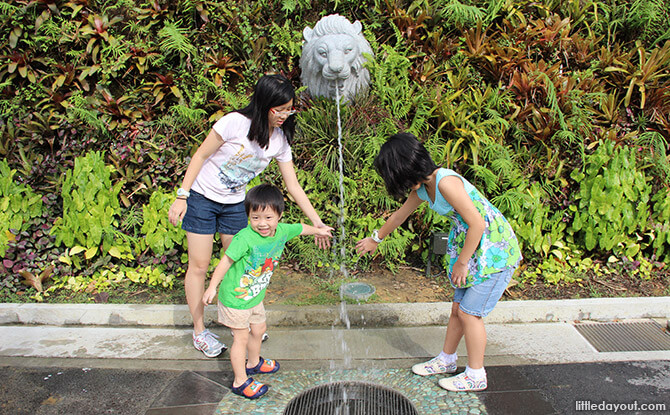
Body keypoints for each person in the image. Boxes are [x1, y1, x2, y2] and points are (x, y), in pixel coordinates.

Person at [168, 74, 330, 358]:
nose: (284, 115)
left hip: (235, 204)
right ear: (264, 103)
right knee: (199, 265)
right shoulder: (233, 123)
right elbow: (200, 156)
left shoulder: (279, 141)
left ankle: (239, 323)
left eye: (288, 109)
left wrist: (316, 221)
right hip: (203, 197)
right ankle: (199, 331)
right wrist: (182, 195)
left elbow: (293, 185)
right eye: (278, 109)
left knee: (240, 264)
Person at [355, 132, 521, 392]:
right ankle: (447, 360)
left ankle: (476, 374)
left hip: (493, 250)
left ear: (407, 169)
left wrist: (462, 262)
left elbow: (477, 223)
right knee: (458, 309)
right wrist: (375, 239)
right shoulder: (423, 188)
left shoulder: (445, 182)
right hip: (472, 248)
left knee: (470, 314)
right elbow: (399, 216)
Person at [203, 184, 333, 399]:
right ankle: (240, 380)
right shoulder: (244, 238)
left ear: (279, 216)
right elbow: (226, 261)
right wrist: (212, 287)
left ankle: (254, 363)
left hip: (255, 296)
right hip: (236, 299)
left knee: (259, 328)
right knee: (241, 339)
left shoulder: (282, 231)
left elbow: (300, 227)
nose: (262, 223)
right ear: (248, 217)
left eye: (268, 218)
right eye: (255, 218)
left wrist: (318, 230)